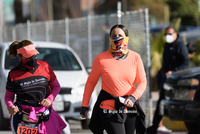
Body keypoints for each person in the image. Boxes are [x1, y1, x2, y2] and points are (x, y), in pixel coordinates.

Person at [80, 24, 147, 134]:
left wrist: (133, 97)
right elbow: (91, 83)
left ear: (126, 38)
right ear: (110, 38)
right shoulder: (101, 59)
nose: (117, 38)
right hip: (108, 107)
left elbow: (142, 82)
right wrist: (84, 105)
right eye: (113, 35)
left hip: (130, 107)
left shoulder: (135, 57)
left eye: (120, 35)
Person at [4, 40, 66, 134]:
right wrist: (10, 107)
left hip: (45, 116)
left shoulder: (45, 66)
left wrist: (50, 99)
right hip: (23, 119)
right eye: (28, 55)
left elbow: (56, 86)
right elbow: (8, 96)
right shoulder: (13, 74)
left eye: (33, 54)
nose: (32, 57)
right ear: (20, 56)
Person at [147, 26, 190, 134]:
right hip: (167, 80)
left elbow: (186, 64)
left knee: (182, 104)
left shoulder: (180, 45)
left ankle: (190, 126)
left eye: (169, 34)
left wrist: (174, 71)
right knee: (161, 102)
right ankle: (155, 126)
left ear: (175, 34)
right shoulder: (167, 45)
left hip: (178, 81)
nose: (167, 37)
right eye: (166, 34)